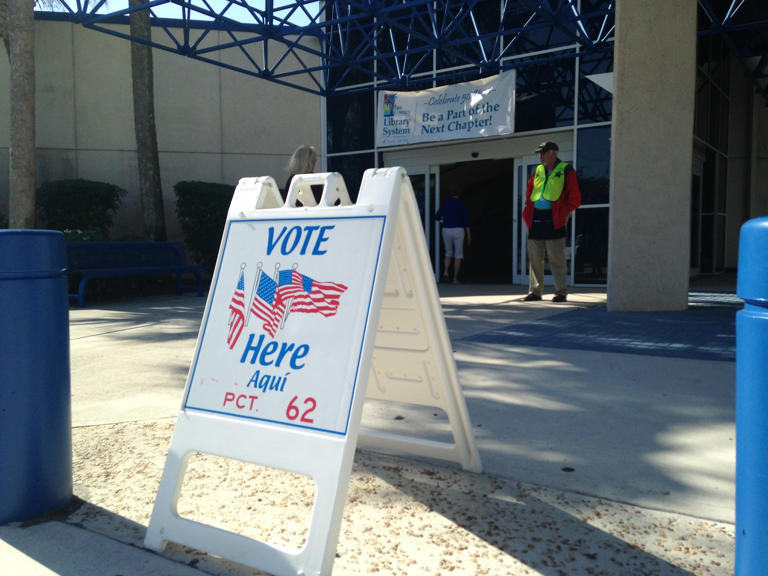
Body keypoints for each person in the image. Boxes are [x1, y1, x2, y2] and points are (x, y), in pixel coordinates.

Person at [522, 141, 581, 302]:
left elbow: (574, 198)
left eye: (544, 152)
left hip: (554, 219)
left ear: (554, 152)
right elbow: (529, 194)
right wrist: (527, 214)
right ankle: (535, 291)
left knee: (556, 258)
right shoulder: (537, 171)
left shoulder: (566, 170)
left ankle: (561, 292)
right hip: (535, 219)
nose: (541, 156)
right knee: (534, 258)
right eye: (540, 153)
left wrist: (564, 214)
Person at [435, 188, 471, 283]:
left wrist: (444, 219)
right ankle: (455, 278)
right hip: (458, 229)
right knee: (458, 254)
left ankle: (446, 272)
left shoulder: (445, 203)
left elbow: (437, 216)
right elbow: (466, 219)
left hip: (446, 229)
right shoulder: (461, 203)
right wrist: (468, 234)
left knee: (448, 252)